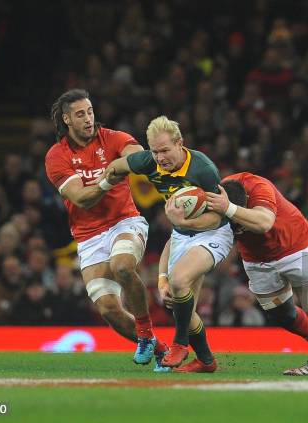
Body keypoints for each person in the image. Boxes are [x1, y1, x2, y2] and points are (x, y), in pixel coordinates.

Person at [44, 89, 165, 368]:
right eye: (80, 114)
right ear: (67, 120)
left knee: (123, 265)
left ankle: (145, 334)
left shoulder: (112, 138)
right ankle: (162, 351)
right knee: (109, 309)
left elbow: (140, 157)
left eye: (90, 111)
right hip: (88, 236)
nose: (88, 118)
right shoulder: (56, 156)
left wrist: (124, 162)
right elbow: (81, 198)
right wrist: (110, 177)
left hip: (124, 222)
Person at [104, 116, 233, 373]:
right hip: (180, 234)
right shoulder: (147, 161)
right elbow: (117, 166)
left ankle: (180, 344)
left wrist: (183, 221)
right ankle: (206, 361)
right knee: (180, 300)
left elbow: (219, 215)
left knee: (179, 281)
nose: (160, 157)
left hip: (213, 233)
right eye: (155, 151)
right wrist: (106, 184)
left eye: (165, 150)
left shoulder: (203, 169)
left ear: (179, 143)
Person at [206, 172, 308, 375]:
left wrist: (230, 209)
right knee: (283, 315)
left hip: (295, 245)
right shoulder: (212, 197)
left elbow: (263, 223)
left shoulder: (258, 186)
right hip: (257, 259)